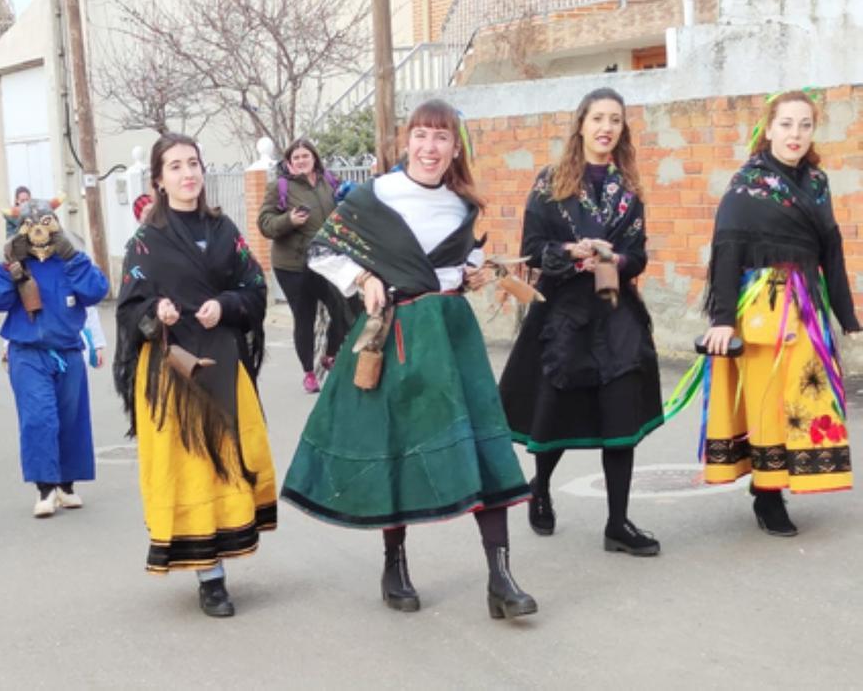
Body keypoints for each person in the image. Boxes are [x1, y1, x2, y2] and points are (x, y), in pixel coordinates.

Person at [282, 99, 536, 622]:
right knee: (394, 446)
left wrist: (471, 273)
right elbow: (324, 249)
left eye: (441, 137)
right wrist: (365, 279)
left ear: (454, 147)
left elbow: (461, 258)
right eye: (421, 135)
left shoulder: (462, 204)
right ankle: (394, 564)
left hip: (451, 333)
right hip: (395, 333)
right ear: (407, 141)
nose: (430, 147)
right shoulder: (375, 196)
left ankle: (501, 579)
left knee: (482, 447)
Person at [114, 133, 275, 619]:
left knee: (226, 458)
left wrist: (224, 305)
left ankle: (223, 551)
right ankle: (210, 576)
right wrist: (155, 310)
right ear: (159, 180)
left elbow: (255, 287)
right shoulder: (145, 241)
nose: (188, 174)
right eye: (176, 166)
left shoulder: (224, 230)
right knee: (189, 468)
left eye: (194, 164)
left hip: (223, 360)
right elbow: (128, 306)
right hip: (172, 368)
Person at [499, 87, 664, 557]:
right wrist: (571, 255)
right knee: (557, 414)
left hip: (615, 314)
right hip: (563, 316)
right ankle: (541, 487)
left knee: (620, 417)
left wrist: (613, 258)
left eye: (615, 119)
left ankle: (617, 523)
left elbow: (639, 255)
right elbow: (532, 250)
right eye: (598, 118)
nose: (606, 127)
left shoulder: (629, 189)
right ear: (581, 124)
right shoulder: (550, 182)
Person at [697, 90, 859, 534]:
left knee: (806, 397)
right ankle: (767, 496)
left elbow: (832, 249)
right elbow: (726, 250)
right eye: (786, 124)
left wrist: (847, 318)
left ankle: (794, 476)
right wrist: (723, 318)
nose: (795, 134)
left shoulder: (817, 182)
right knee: (768, 401)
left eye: (805, 125)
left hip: (806, 304)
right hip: (762, 308)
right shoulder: (746, 183)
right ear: (767, 129)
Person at [0, 201, 108, 518]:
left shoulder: (70, 261)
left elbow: (95, 291)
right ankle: (45, 488)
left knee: (71, 418)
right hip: (27, 353)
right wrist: (9, 265)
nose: (38, 229)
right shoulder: (16, 264)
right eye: (30, 223)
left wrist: (73, 257)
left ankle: (66, 485)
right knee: (39, 417)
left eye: (45, 221)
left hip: (67, 351)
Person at [258, 137, 352, 393]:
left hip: (327, 261)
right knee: (305, 316)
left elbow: (347, 209)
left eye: (305, 156)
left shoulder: (329, 182)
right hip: (293, 264)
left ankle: (330, 354)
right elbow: (265, 224)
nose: (301, 161)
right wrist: (289, 220)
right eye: (296, 158)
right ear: (289, 163)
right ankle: (309, 373)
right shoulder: (279, 187)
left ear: (314, 159)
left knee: (343, 307)